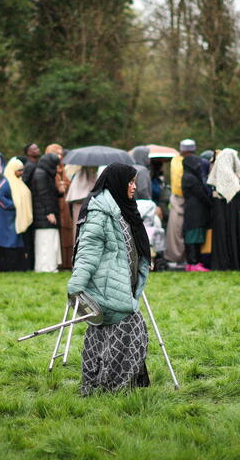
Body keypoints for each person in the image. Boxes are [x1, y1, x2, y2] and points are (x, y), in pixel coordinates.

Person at [67, 163, 151, 395]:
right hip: (105, 287)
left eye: (135, 182)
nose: (134, 187)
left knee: (104, 333)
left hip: (120, 284)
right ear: (117, 183)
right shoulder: (100, 211)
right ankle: (114, 385)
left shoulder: (122, 206)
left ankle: (101, 383)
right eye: (130, 182)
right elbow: (87, 251)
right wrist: (76, 287)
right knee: (131, 328)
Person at [208, 148, 240, 270]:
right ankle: (232, 263)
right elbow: (237, 187)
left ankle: (221, 263)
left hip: (220, 211)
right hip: (231, 212)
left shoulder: (218, 176)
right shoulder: (232, 178)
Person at [0, 158, 33, 271]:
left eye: (22, 170)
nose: (21, 173)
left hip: (16, 217)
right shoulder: (6, 182)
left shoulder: (19, 182)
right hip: (5, 217)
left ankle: (16, 267)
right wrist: (12, 205)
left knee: (15, 242)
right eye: (19, 170)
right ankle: (5, 268)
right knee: (7, 242)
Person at [166, 139, 196, 264]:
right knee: (176, 230)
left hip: (188, 199)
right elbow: (179, 183)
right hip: (179, 199)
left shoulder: (179, 160)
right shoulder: (177, 161)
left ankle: (185, 257)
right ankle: (176, 257)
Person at [31, 153, 61, 272]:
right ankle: (45, 267)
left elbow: (50, 193)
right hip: (44, 214)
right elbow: (43, 194)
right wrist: (49, 212)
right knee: (45, 241)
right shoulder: (41, 174)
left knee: (48, 240)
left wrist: (60, 192)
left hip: (45, 212)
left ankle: (49, 266)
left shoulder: (45, 174)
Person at [46, 144, 74, 269]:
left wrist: (65, 185)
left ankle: (68, 262)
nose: (60, 156)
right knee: (59, 232)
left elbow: (68, 182)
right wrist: (59, 187)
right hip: (56, 203)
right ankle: (60, 262)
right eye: (57, 154)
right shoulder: (48, 170)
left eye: (61, 154)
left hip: (65, 203)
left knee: (67, 231)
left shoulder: (62, 169)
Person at [181, 154, 211, 272]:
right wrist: (210, 203)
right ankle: (194, 263)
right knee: (193, 237)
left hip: (193, 210)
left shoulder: (188, 176)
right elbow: (201, 194)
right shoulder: (190, 178)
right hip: (195, 212)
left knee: (193, 236)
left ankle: (192, 263)